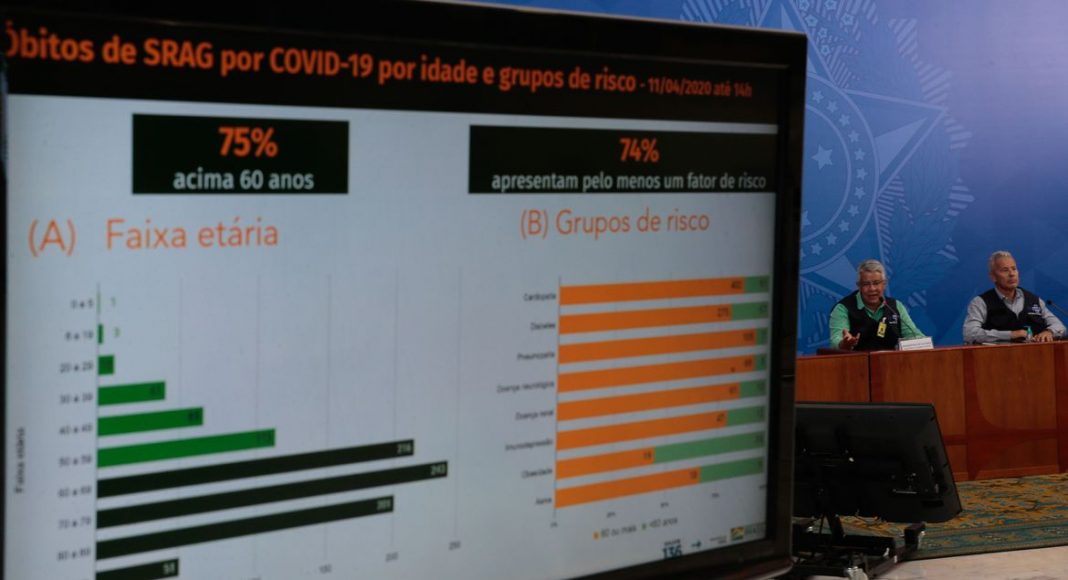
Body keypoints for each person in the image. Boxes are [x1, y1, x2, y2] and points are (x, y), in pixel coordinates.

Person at [962, 250, 1065, 344]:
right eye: (1005, 270)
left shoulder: (1034, 300)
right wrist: (1011, 335)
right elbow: (970, 334)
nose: (1011, 274)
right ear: (993, 276)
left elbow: (1060, 327)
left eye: (1014, 269)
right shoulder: (981, 302)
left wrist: (1049, 332)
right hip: (998, 356)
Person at [828, 259, 925, 350]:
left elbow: (914, 335)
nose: (872, 289)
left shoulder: (895, 306)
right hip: (857, 361)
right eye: (866, 284)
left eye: (876, 283)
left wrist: (922, 343)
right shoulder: (843, 308)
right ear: (859, 286)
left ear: (884, 284)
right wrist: (844, 344)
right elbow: (835, 341)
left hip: (893, 360)